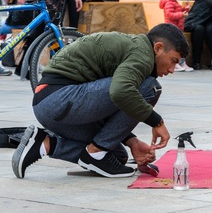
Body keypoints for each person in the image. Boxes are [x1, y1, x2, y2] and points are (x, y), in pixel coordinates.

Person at [11, 23, 190, 179]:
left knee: (114, 155)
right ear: (158, 48)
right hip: (59, 98)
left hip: (52, 106)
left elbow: (108, 103)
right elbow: (120, 92)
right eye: (173, 61)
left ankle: (44, 144)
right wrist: (156, 121)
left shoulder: (135, 50)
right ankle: (95, 153)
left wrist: (132, 142)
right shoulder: (142, 54)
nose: (173, 69)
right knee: (150, 87)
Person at [159, 0, 193, 71]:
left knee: (181, 46)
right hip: (172, 29)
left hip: (178, 29)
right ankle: (175, 63)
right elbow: (169, 15)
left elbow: (178, 12)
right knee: (175, 47)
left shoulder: (175, 2)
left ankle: (181, 62)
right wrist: (182, 14)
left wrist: (185, 9)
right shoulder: (169, 3)